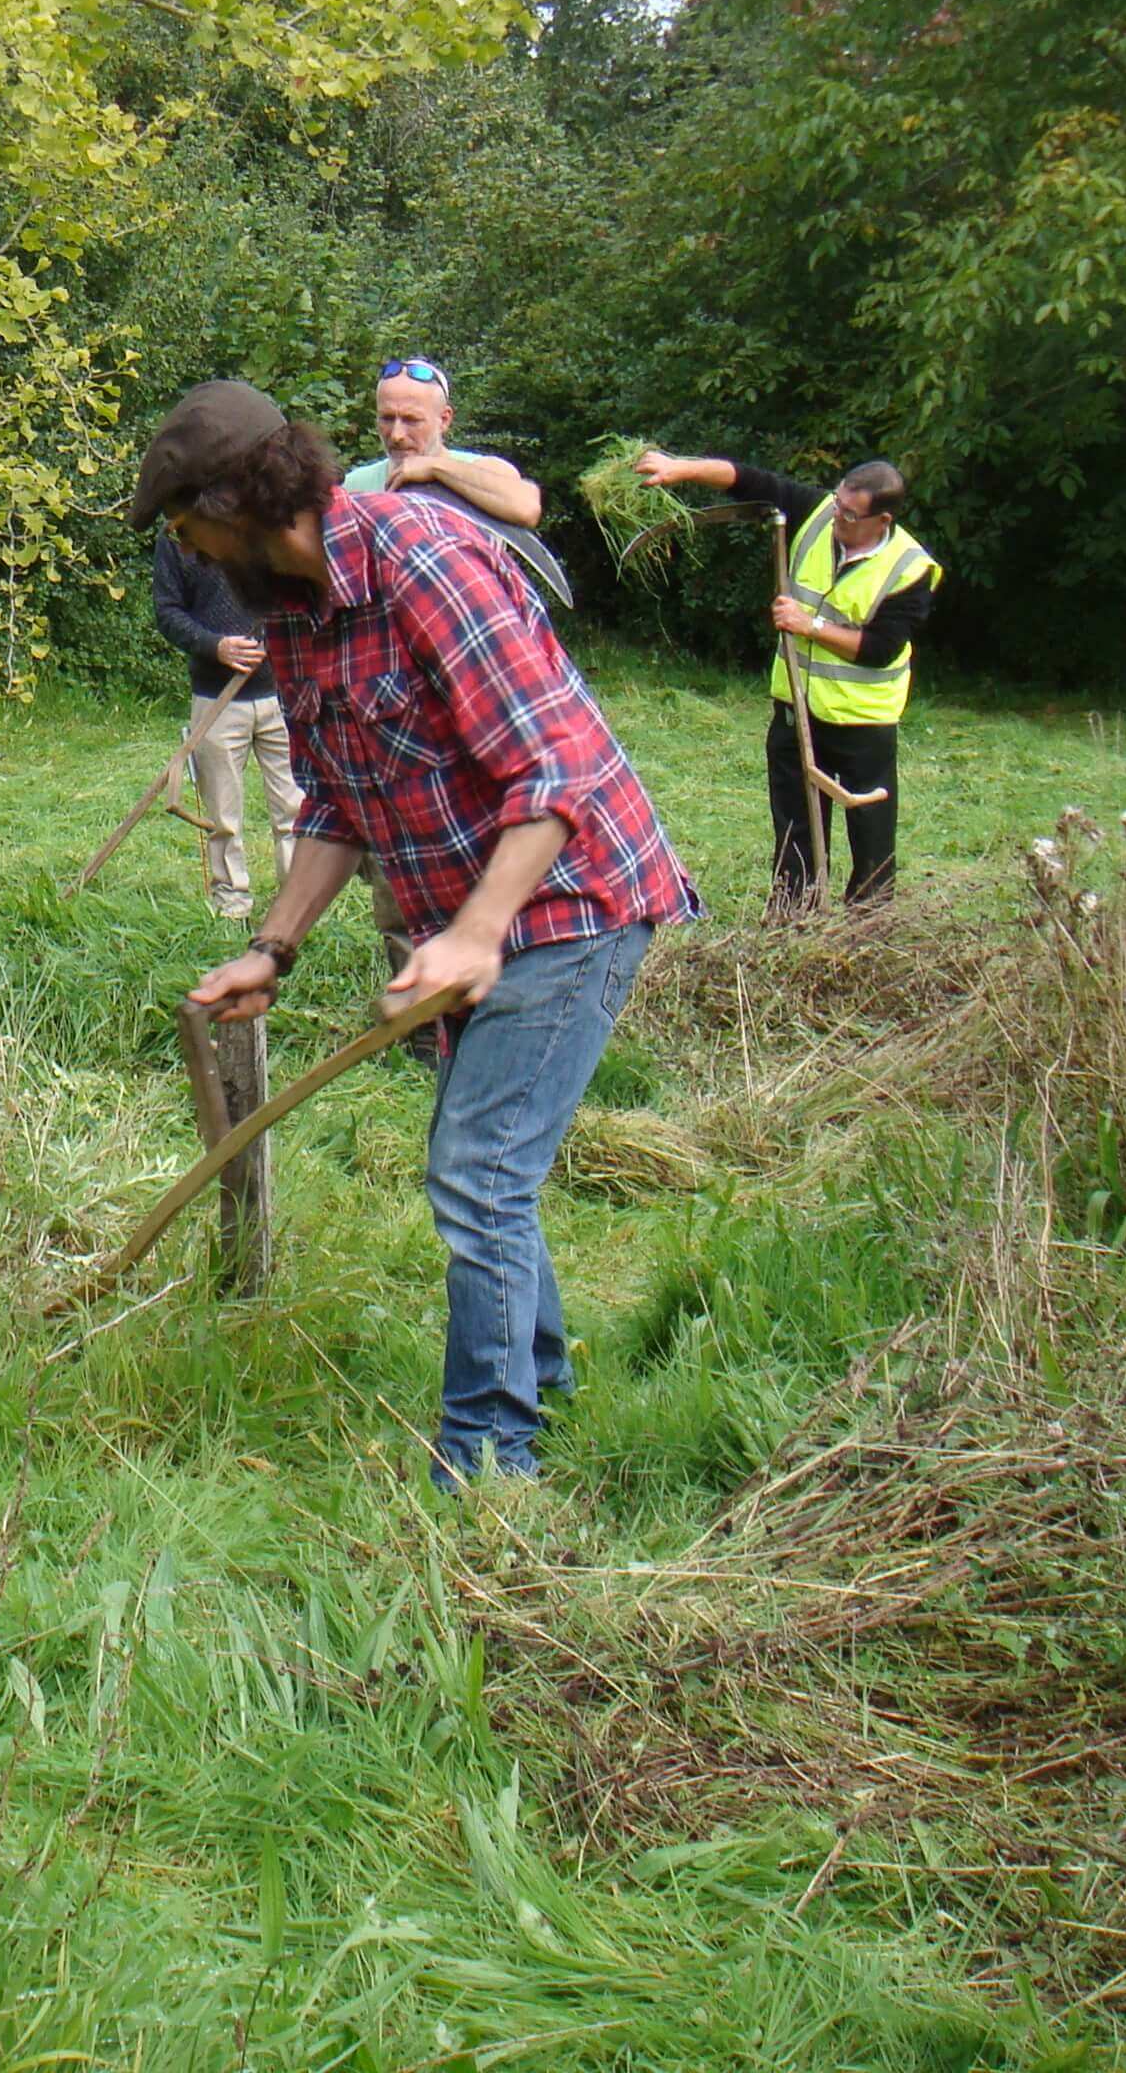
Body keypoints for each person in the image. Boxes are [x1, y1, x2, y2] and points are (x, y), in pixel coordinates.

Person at [130, 380, 700, 1492]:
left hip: (571, 896)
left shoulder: (421, 559)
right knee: (486, 1163)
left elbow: (553, 772)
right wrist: (274, 947)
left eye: (183, 521)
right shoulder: (288, 613)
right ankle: (542, 1383)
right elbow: (338, 802)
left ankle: (492, 1462)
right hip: (469, 915)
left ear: (235, 501)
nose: (185, 547)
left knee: (477, 1170)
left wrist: (479, 934)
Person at [632, 446, 941, 906]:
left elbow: (879, 650)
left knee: (871, 840)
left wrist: (809, 625)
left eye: (851, 515)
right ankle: (791, 924)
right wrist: (681, 468)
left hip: (863, 723)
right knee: (795, 831)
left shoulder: (909, 568)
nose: (839, 518)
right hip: (797, 712)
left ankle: (871, 934)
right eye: (838, 504)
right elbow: (747, 478)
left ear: (883, 520)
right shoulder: (818, 515)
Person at [150, 527, 295, 920]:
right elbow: (167, 611)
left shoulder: (267, 516)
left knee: (294, 810)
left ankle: (296, 905)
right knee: (223, 817)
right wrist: (215, 646)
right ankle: (232, 903)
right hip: (216, 697)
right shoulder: (178, 532)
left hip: (284, 695)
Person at [340, 356, 545, 527]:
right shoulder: (353, 487)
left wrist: (435, 468)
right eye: (387, 418)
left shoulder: (484, 470)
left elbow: (527, 508)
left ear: (444, 419)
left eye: (412, 420)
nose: (396, 435)